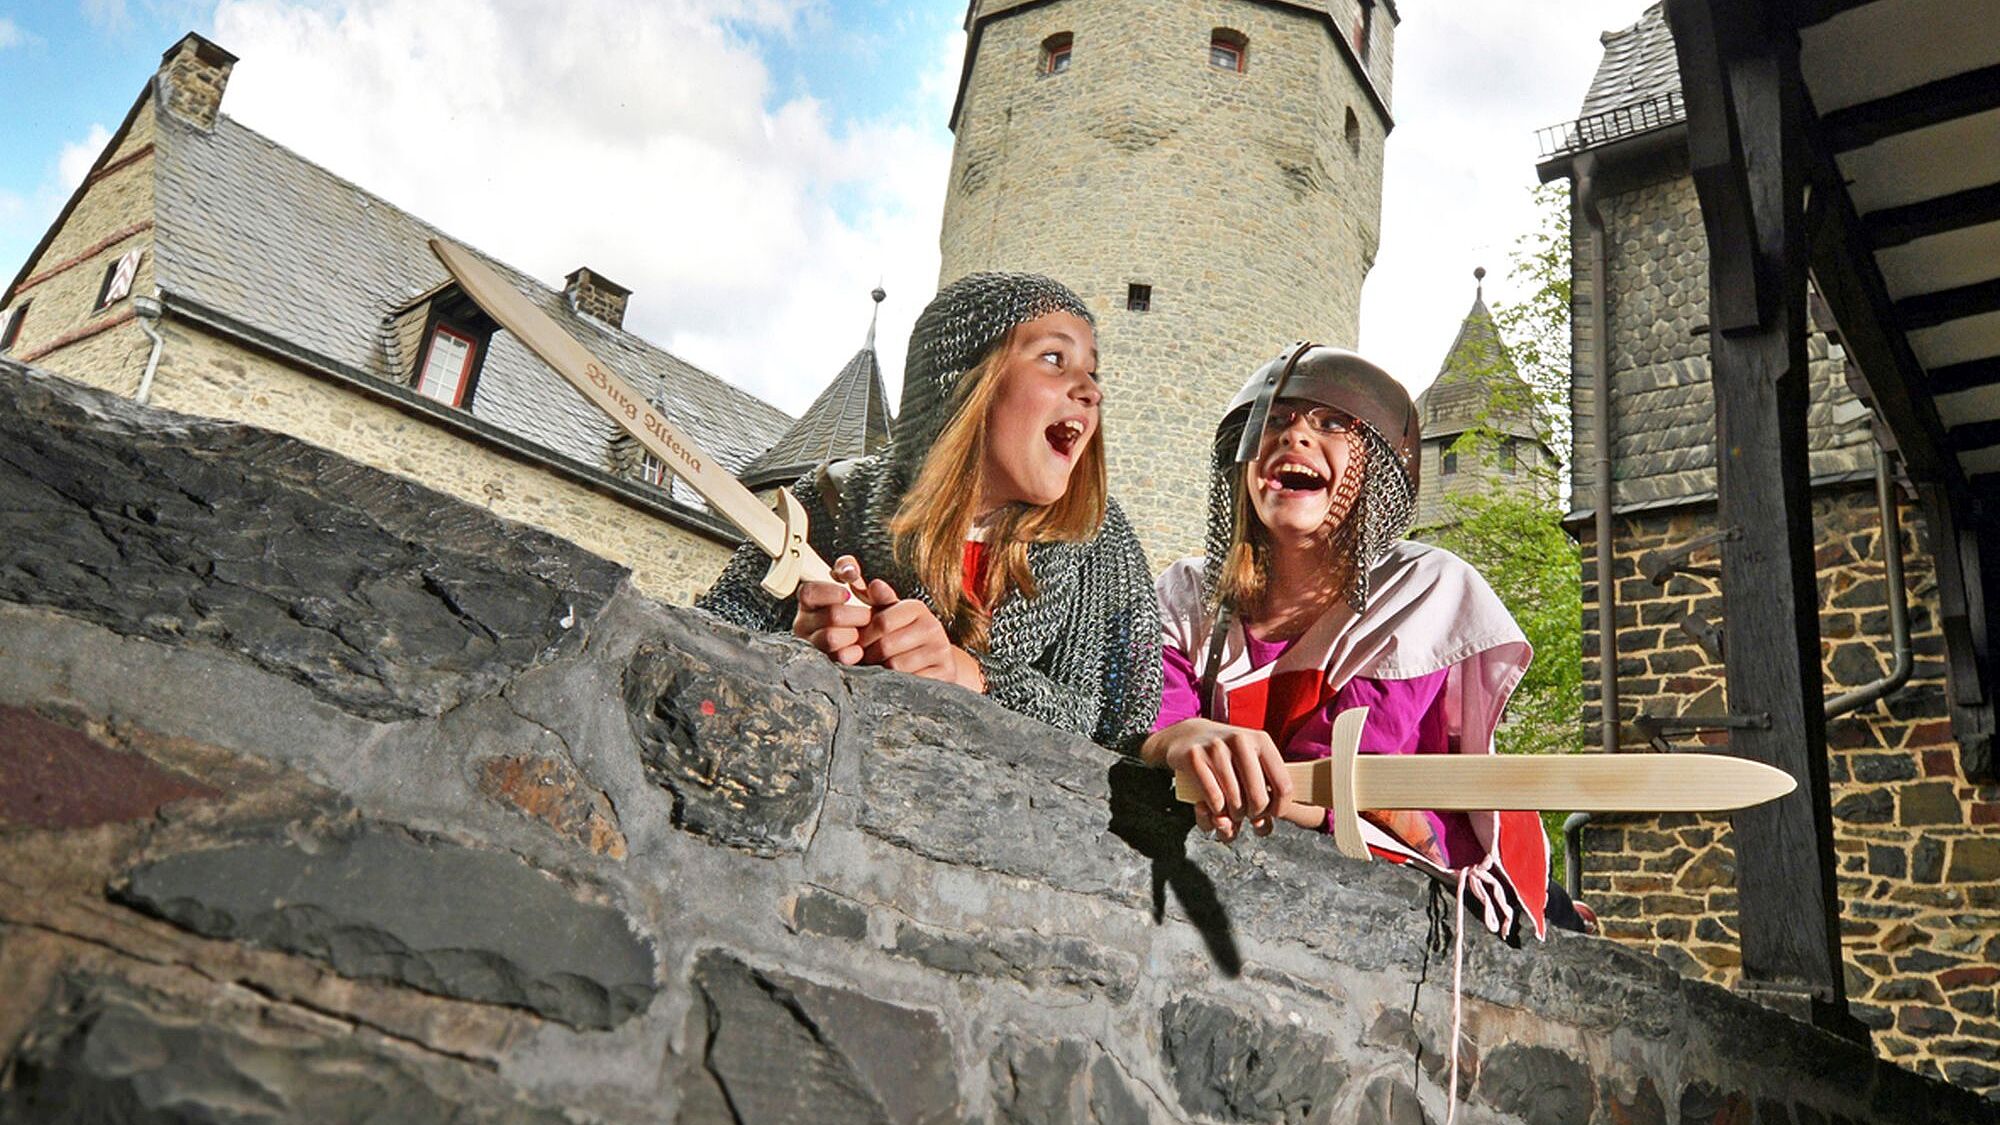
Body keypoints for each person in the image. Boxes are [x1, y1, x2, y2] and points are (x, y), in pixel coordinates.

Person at [1142, 342, 1559, 941]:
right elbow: (1153, 722)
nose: (1296, 438)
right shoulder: (1186, 594)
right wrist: (1180, 737)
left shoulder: (1425, 589)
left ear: (1378, 473)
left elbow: (1339, 775)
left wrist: (1215, 768)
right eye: (1275, 422)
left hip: (1421, 881)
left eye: (1332, 424)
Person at [699, 272, 1162, 751]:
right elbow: (705, 658)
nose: (1091, 390)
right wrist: (800, 648)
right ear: (963, 377)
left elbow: (1123, 735)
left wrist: (968, 673)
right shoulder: (834, 500)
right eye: (1053, 358)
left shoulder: (1099, 540)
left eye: (1091, 370)